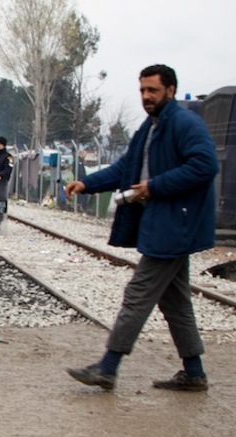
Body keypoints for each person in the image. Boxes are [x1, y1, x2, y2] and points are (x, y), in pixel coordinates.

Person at [64, 64, 218, 392]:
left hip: (176, 224)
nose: (146, 97)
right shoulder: (151, 127)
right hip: (165, 222)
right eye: (142, 91)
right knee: (174, 300)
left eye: (153, 91)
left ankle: (108, 367)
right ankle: (194, 372)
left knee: (138, 294)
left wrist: (155, 186)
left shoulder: (184, 123)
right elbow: (125, 168)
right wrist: (86, 184)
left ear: (171, 91)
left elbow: (205, 164)